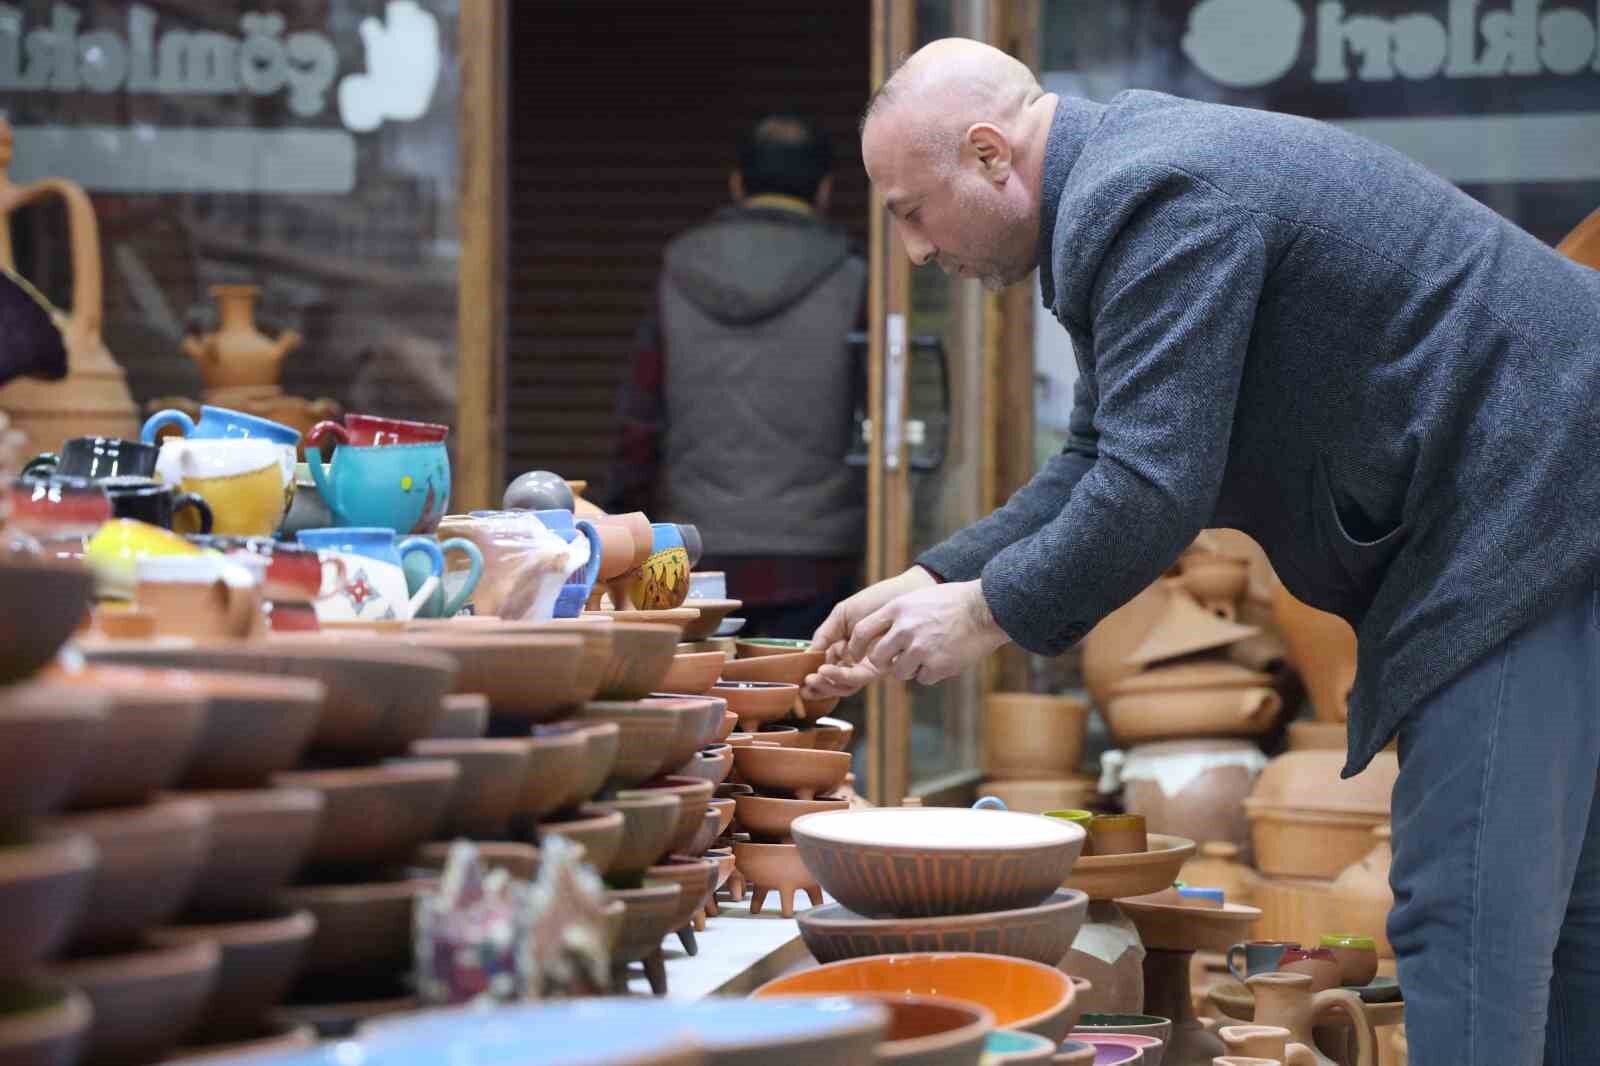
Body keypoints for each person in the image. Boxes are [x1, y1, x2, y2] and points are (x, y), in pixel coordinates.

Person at [801, 37, 1600, 1066]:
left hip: (1528, 494)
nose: (912, 250)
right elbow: (1100, 452)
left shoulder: (1153, 195)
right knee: (1569, 914)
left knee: (1469, 912)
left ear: (992, 154)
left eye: (911, 210)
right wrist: (935, 573)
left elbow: (1148, 489)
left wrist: (983, 615)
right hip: (1554, 477)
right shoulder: (1128, 184)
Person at [604, 113, 866, 638]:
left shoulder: (676, 270)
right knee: (795, 704)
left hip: (687, 546)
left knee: (688, 698)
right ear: (825, 189)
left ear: (737, 183)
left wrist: (620, 520)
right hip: (815, 556)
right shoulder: (856, 277)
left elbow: (641, 419)